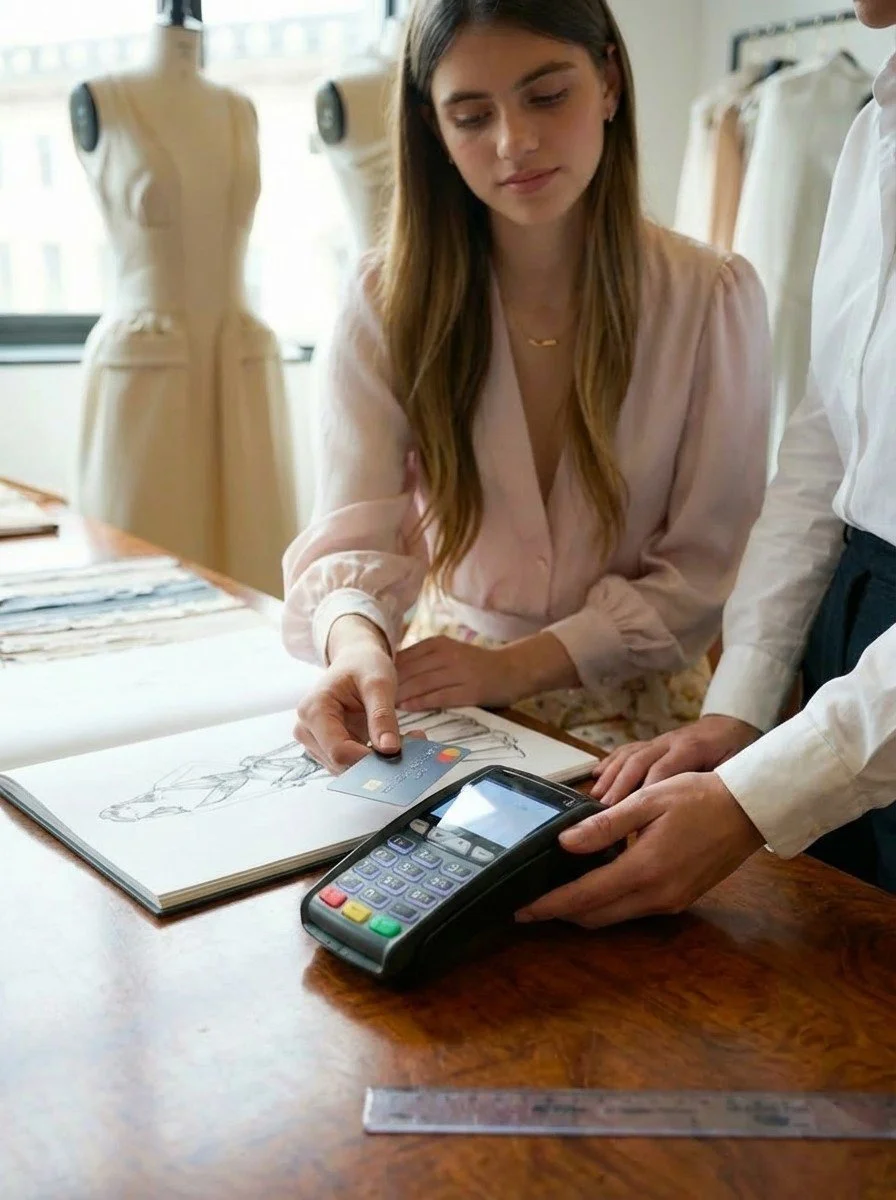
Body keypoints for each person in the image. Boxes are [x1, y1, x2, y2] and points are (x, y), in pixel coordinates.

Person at [282, 0, 771, 776]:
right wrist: (355, 642)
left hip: (641, 715)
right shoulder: (386, 300)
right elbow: (352, 539)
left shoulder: (710, 297)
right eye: (472, 116)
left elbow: (707, 572)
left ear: (609, 80)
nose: (515, 143)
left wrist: (517, 666)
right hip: (448, 692)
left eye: (547, 96)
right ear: (432, 130)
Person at [517, 0, 896, 928]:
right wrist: (742, 708)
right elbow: (828, 432)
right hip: (854, 626)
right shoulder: (873, 129)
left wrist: (757, 794)